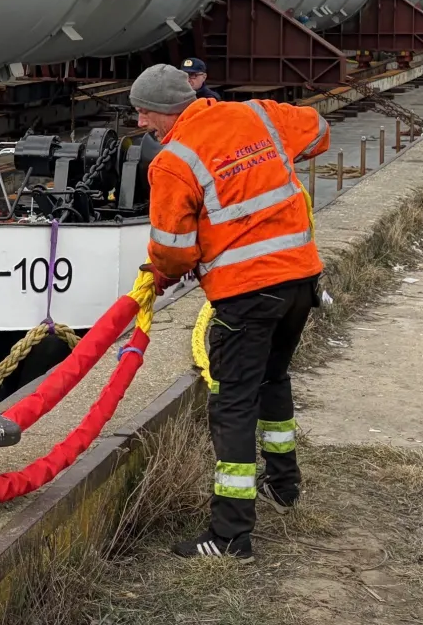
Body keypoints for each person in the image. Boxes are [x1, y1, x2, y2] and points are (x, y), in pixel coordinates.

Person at [128, 64, 330, 560]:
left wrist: (158, 275)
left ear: (165, 110)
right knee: (273, 380)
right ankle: (284, 486)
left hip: (246, 296)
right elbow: (319, 133)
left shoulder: (172, 162)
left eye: (143, 113)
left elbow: (173, 251)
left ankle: (231, 533)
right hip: (301, 279)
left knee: (233, 404)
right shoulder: (257, 115)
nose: (140, 124)